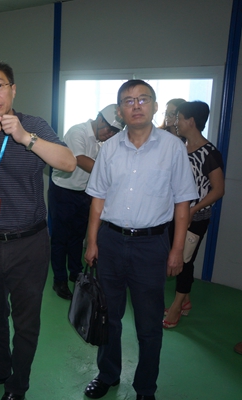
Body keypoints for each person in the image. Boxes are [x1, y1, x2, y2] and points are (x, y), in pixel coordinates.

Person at [0, 61, 76, 400]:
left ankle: (17, 385)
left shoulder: (34, 125)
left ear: (13, 89)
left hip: (29, 242)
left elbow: (68, 163)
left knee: (26, 322)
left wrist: (26, 138)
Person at [83, 80, 197, 400]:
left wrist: (176, 250)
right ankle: (107, 374)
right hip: (111, 241)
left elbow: (183, 203)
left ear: (155, 106)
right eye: (128, 101)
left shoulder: (173, 148)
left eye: (143, 99)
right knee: (108, 317)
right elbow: (97, 199)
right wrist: (92, 242)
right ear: (120, 111)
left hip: (151, 245)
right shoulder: (109, 149)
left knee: (148, 324)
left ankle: (146, 387)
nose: (136, 106)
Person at [48, 104, 123, 300]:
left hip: (84, 193)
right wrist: (112, 177)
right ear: (100, 119)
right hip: (63, 191)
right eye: (109, 130)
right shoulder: (78, 132)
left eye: (114, 133)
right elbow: (80, 160)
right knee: (60, 238)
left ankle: (76, 273)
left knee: (77, 236)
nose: (110, 135)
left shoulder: (104, 141)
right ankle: (59, 279)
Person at [163, 101, 224, 328]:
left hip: (194, 218)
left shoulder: (209, 153)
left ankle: (177, 306)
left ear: (191, 121)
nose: (176, 122)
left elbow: (218, 190)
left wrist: (193, 210)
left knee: (184, 261)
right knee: (173, 257)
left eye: (179, 118)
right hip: (173, 215)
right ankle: (185, 300)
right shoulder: (180, 147)